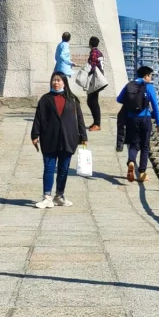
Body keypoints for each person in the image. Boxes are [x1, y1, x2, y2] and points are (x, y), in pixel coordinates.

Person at [31, 71, 88, 208]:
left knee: (63, 169)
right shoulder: (45, 99)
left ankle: (59, 195)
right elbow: (38, 118)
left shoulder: (72, 99)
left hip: (68, 138)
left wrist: (83, 136)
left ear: (64, 82)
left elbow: (79, 119)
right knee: (49, 168)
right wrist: (34, 134)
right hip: (49, 138)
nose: (56, 83)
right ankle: (47, 197)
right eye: (54, 80)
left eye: (59, 80)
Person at [117, 64, 159, 183]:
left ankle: (131, 161)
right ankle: (142, 173)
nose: (151, 78)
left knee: (133, 143)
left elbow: (119, 99)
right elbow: (155, 106)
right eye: (150, 76)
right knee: (145, 146)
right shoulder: (149, 87)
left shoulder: (129, 85)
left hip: (131, 118)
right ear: (146, 76)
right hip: (145, 118)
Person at [85, 35, 105, 131]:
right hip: (99, 79)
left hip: (94, 79)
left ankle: (97, 123)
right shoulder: (99, 52)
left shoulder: (93, 52)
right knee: (92, 101)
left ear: (90, 43)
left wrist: (87, 75)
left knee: (92, 101)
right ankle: (96, 122)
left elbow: (92, 66)